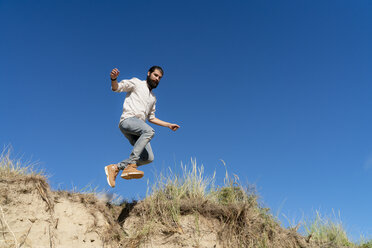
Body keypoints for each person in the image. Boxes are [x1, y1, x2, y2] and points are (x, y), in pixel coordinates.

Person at [105, 66, 180, 188]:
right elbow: (117, 88)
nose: (157, 79)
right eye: (155, 75)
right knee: (149, 131)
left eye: (160, 78)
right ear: (149, 73)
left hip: (138, 129)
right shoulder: (137, 83)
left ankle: (115, 167)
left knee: (148, 158)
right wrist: (113, 79)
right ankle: (131, 165)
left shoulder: (153, 98)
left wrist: (168, 125)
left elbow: (151, 118)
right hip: (128, 121)